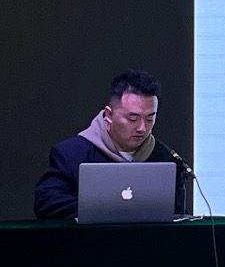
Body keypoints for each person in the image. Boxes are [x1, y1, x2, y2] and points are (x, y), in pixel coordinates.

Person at [34, 69, 189, 219]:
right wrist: (104, 209)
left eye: (150, 119)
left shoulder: (167, 159)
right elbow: (46, 202)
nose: (142, 128)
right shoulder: (72, 153)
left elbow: (178, 215)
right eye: (133, 119)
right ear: (109, 114)